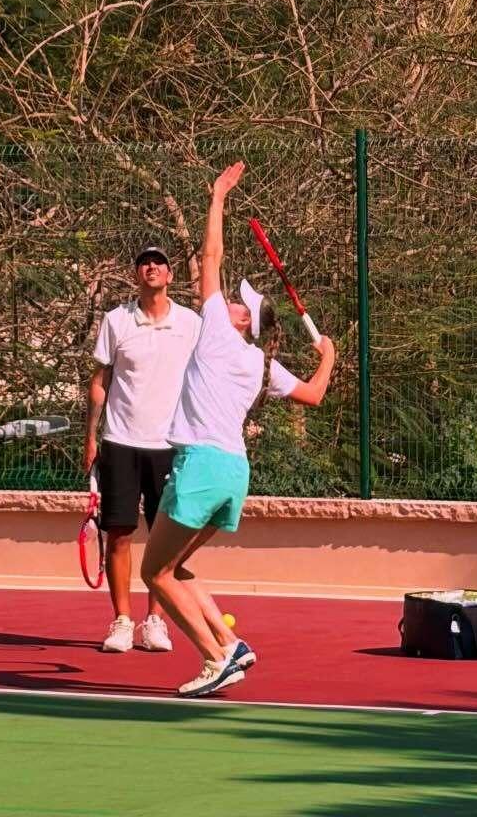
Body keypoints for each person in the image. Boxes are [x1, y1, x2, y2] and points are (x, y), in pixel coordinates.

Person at [141, 160, 336, 698]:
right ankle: (235, 648)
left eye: (236, 303)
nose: (225, 300)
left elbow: (211, 256)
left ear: (244, 321)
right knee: (175, 567)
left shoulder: (217, 335)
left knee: (153, 573)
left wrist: (218, 198)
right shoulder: (263, 367)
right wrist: (330, 356)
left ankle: (217, 654)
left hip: (201, 465)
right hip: (234, 473)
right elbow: (316, 395)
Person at [85, 242, 201, 653]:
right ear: (137, 275)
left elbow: (205, 377)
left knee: (165, 541)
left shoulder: (191, 323)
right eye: (144, 263)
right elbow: (99, 383)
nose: (151, 267)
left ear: (170, 275)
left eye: (158, 262)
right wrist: (91, 439)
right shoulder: (116, 321)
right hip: (120, 442)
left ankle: (156, 622)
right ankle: (121, 621)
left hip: (172, 445)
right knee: (119, 535)